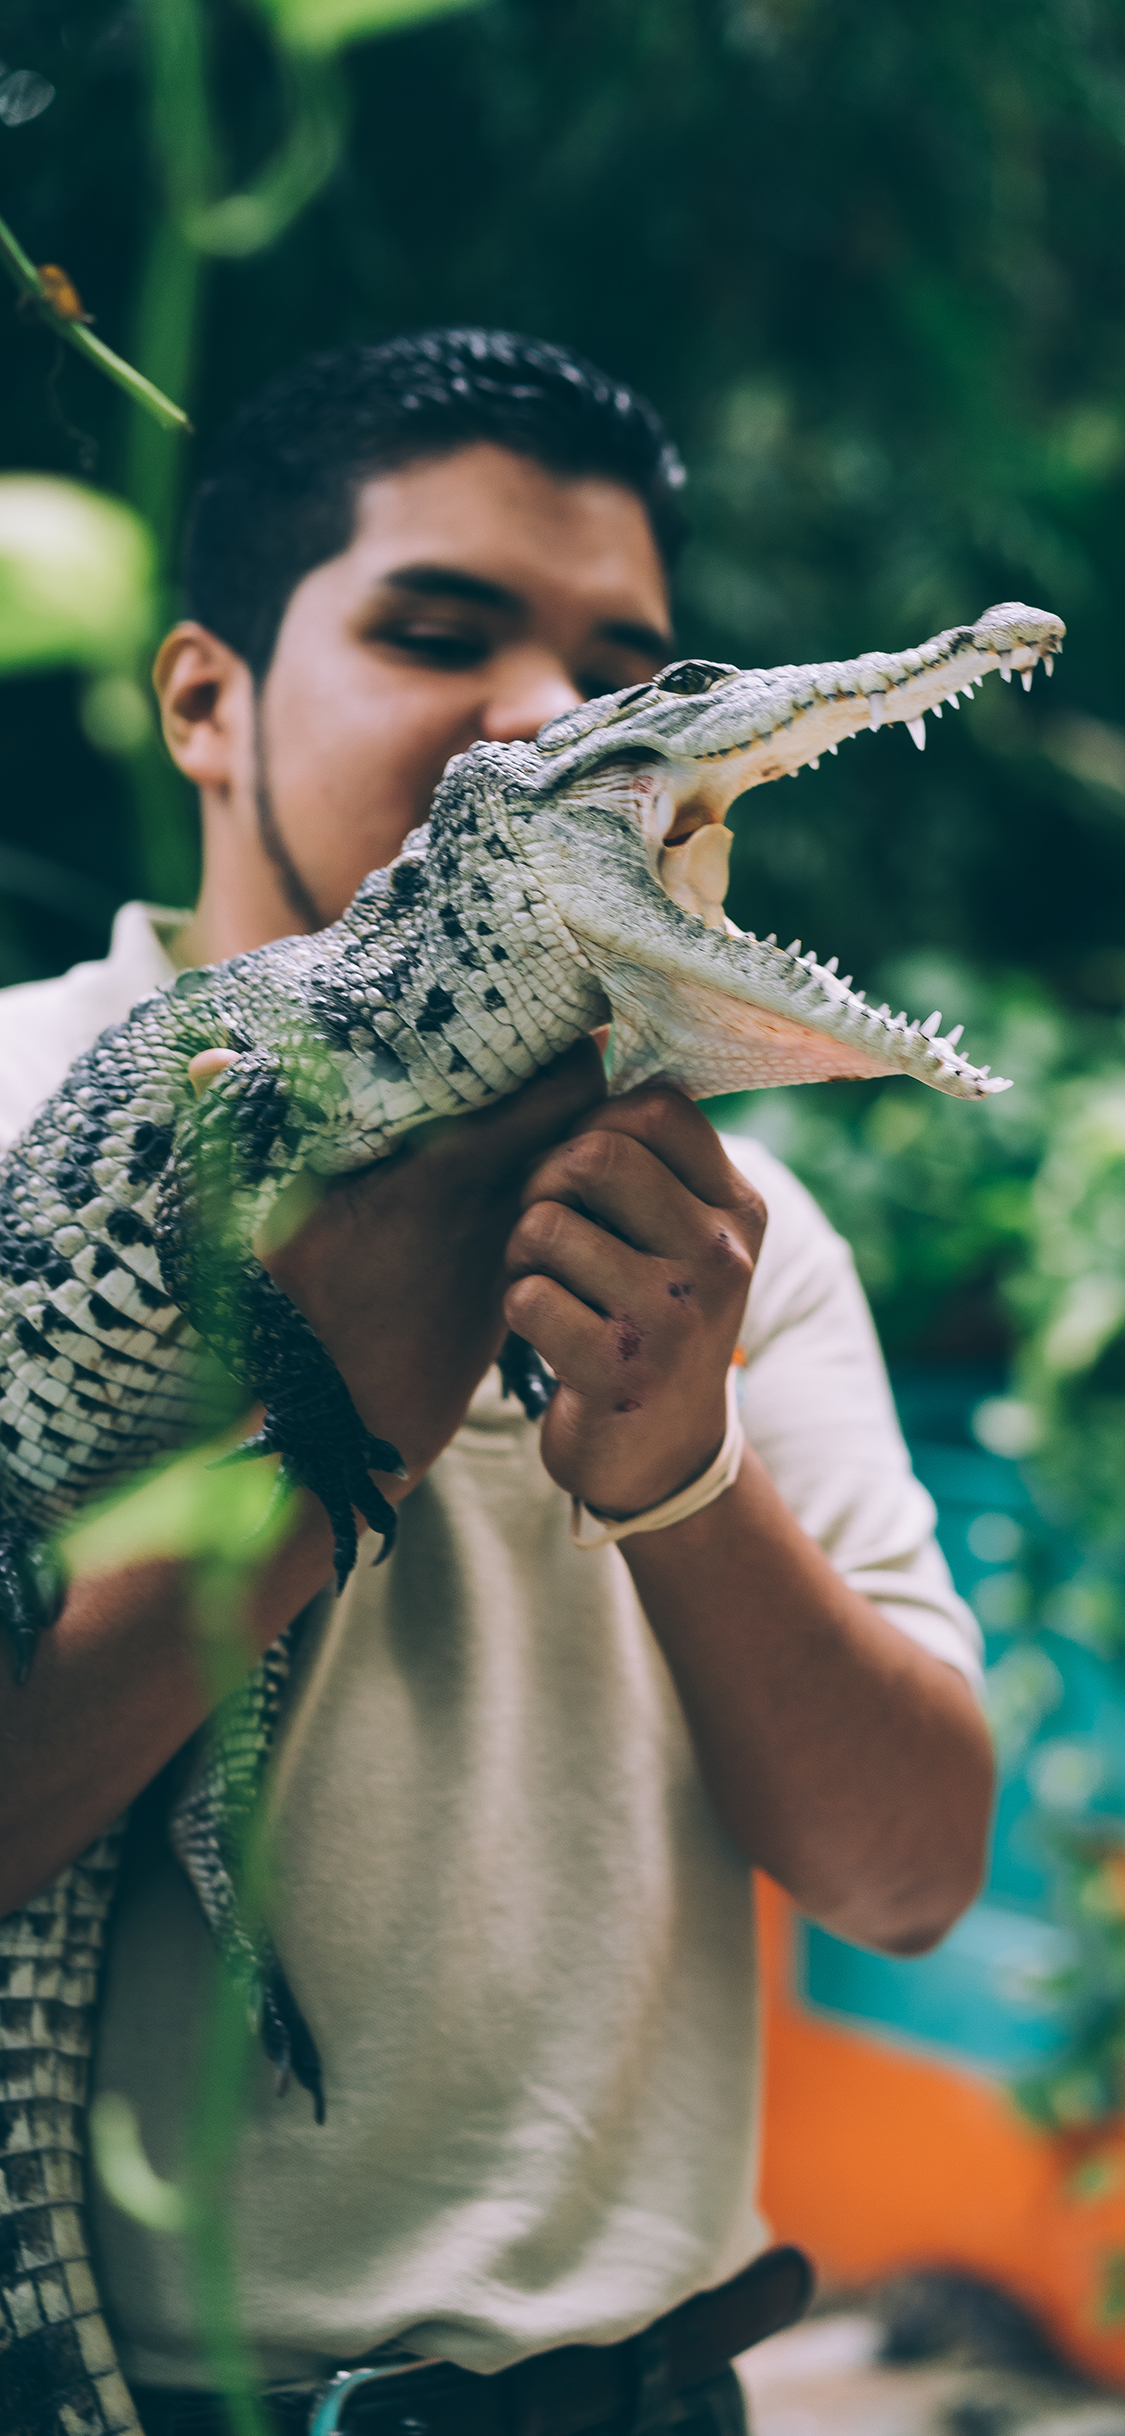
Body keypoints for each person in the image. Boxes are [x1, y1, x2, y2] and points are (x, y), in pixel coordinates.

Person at [0, 330, 993, 2436]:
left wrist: (676, 1460)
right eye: (435, 628)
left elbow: (908, 1879)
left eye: (623, 667)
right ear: (201, 694)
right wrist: (324, 1438)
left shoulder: (742, 1233)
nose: (543, 714)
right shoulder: (17, 1105)